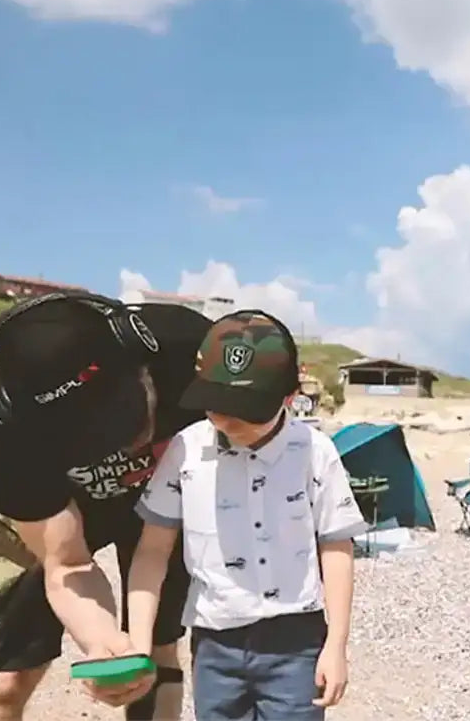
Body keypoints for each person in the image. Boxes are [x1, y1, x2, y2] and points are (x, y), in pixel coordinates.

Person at [0, 290, 212, 721]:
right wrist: (101, 641)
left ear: (140, 361)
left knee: (158, 652)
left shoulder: (188, 345)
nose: (129, 444)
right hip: (60, 508)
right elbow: (67, 565)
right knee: (5, 679)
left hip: (163, 506)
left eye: (129, 418)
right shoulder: (6, 437)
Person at [127, 309, 368, 721]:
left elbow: (335, 547)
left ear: (288, 397)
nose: (224, 419)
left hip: (296, 643)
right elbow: (152, 552)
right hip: (214, 644)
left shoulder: (315, 452)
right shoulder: (185, 451)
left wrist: (337, 644)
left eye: (243, 409)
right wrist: (138, 644)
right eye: (213, 404)